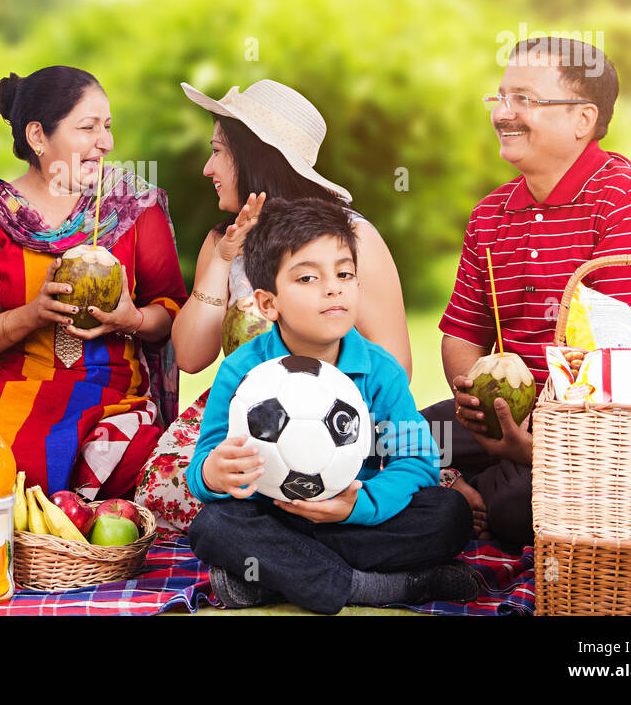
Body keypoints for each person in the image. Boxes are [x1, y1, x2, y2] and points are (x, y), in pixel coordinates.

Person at [422, 37, 631, 548]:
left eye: (524, 99)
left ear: (582, 120)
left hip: (613, 439)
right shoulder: (490, 214)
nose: (503, 113)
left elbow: (626, 369)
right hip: (512, 421)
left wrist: (534, 448)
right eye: (499, 97)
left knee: (511, 506)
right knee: (389, 439)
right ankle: (455, 498)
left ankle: (459, 508)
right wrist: (480, 408)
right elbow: (462, 334)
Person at [137, 79, 411, 533]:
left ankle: (287, 536)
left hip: (342, 411)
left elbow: (396, 365)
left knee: (409, 489)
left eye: (219, 151)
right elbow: (189, 357)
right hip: (243, 412)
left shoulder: (353, 238)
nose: (208, 167)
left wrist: (315, 423)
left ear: (255, 157)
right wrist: (222, 260)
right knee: (165, 486)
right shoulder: (222, 243)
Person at [186, 198, 477, 613]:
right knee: (213, 527)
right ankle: (381, 587)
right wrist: (214, 474)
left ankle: (276, 581)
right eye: (307, 278)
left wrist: (359, 505)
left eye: (344, 273)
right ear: (268, 304)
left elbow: (417, 462)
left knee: (449, 514)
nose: (333, 287)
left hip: (354, 520)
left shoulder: (380, 370)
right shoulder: (241, 371)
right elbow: (203, 467)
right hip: (274, 518)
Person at [0, 65, 188, 498]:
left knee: (153, 468)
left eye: (107, 127)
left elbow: (173, 313)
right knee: (0, 467)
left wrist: (131, 318)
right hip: (10, 394)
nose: (106, 143)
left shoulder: (133, 208)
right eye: (88, 127)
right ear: (38, 136)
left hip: (113, 400)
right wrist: (31, 315)